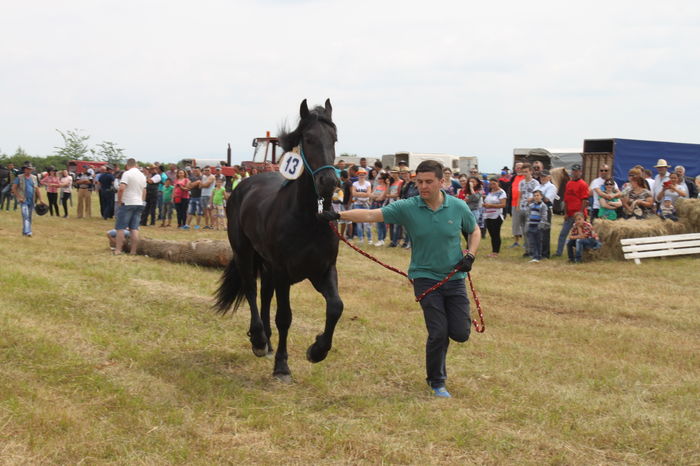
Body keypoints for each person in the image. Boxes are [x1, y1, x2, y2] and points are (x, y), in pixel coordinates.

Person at [319, 160, 480, 398]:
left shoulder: (458, 206)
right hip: (425, 277)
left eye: (428, 182)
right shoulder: (408, 207)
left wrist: (470, 254)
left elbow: (474, 230)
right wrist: (337, 214)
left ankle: (442, 359)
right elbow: (371, 214)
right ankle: (437, 381)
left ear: (442, 182)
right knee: (438, 331)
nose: (423, 187)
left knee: (460, 333)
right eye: (419, 182)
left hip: (455, 278)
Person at [555, 164, 589, 256]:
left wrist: (580, 214)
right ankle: (559, 252)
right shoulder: (569, 183)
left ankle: (582, 253)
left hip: (578, 215)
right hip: (569, 214)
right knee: (563, 233)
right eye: (574, 171)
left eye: (577, 171)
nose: (575, 173)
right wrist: (565, 213)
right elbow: (566, 199)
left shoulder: (583, 184)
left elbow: (584, 200)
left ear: (580, 172)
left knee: (581, 235)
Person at [114, 158, 146, 255]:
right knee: (134, 228)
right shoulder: (142, 175)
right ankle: (133, 251)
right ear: (136, 165)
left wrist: (119, 201)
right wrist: (142, 201)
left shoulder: (127, 174)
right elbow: (144, 190)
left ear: (127, 165)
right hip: (139, 202)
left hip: (127, 202)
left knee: (120, 227)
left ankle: (118, 250)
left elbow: (121, 188)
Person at [12, 162, 44, 237]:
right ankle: (28, 232)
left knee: (29, 216)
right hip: (23, 200)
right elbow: (13, 188)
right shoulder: (19, 177)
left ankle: (25, 232)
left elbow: (37, 189)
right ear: (24, 169)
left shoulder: (34, 177)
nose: (29, 170)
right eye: (28, 169)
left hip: (32, 200)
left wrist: (40, 199)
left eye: (30, 169)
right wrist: (19, 197)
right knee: (25, 215)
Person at [515, 163, 540, 255]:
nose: (525, 174)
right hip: (522, 207)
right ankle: (527, 250)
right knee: (523, 230)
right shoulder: (521, 182)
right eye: (523, 172)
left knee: (528, 229)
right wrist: (517, 206)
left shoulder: (535, 183)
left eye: (526, 172)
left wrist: (532, 198)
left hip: (531, 209)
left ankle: (532, 250)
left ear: (531, 172)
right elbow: (519, 195)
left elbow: (538, 195)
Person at [482, 177, 507, 257]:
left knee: (496, 233)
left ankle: (496, 252)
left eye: (494, 184)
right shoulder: (490, 192)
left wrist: (491, 205)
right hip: (488, 215)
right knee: (491, 234)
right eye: (491, 184)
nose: (492, 185)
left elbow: (503, 204)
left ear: (498, 183)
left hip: (497, 215)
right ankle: (494, 251)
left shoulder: (502, 192)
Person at [351, 167, 372, 243]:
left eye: (363, 174)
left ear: (365, 175)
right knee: (359, 223)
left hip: (365, 204)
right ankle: (361, 239)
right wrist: (363, 194)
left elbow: (368, 194)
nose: (361, 176)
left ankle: (369, 239)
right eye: (360, 174)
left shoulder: (368, 183)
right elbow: (353, 193)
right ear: (358, 175)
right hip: (357, 204)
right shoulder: (354, 184)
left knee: (367, 223)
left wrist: (358, 194)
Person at [526, 189, 548, 263]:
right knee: (532, 241)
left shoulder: (543, 206)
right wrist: (528, 223)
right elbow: (529, 214)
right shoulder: (531, 205)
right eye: (534, 196)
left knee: (538, 241)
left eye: (538, 195)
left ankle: (538, 256)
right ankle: (534, 255)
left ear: (541, 196)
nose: (536, 197)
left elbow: (544, 216)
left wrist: (540, 225)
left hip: (538, 226)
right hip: (531, 225)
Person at [370, 172, 390, 246]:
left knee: (381, 223)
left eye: (380, 178)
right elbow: (372, 195)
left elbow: (382, 197)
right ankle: (381, 239)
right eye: (378, 178)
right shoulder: (378, 186)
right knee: (380, 223)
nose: (379, 179)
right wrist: (376, 196)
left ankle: (381, 239)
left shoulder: (386, 187)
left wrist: (376, 196)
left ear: (384, 179)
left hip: (382, 205)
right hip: (376, 205)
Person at [508, 162, 525, 247]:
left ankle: (526, 242)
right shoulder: (513, 178)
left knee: (524, 223)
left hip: (524, 204)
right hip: (514, 204)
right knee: (515, 223)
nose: (518, 169)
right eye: (517, 167)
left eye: (520, 167)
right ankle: (516, 242)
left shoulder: (526, 178)